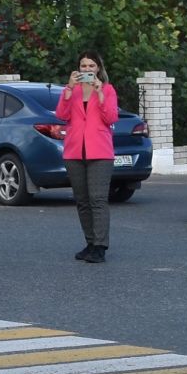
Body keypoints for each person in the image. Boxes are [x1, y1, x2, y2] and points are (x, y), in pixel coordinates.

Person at [55, 50, 119, 263]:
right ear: (78, 69)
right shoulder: (70, 91)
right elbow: (61, 116)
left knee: (98, 199)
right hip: (74, 151)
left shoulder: (108, 90)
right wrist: (69, 89)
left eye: (91, 66)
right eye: (83, 66)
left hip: (100, 151)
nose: (87, 70)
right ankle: (90, 242)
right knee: (82, 200)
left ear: (98, 68)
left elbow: (110, 117)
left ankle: (100, 246)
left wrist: (100, 94)